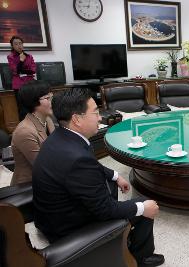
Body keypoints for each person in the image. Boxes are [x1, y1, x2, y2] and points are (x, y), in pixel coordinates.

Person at [32, 88, 164, 267]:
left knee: (110, 184)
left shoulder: (61, 137)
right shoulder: (77, 158)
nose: (100, 117)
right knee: (145, 203)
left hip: (52, 216)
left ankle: (120, 238)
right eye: (95, 112)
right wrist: (141, 207)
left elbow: (90, 166)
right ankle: (141, 258)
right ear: (77, 119)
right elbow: (105, 209)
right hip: (67, 229)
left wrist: (116, 175)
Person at [10, 80, 55, 185]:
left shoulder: (47, 119)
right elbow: (43, 167)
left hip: (49, 177)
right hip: (29, 184)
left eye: (51, 96)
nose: (52, 101)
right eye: (47, 98)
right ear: (33, 102)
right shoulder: (24, 131)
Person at [7, 36, 36, 120]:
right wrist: (21, 61)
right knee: (22, 108)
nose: (19, 46)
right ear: (12, 46)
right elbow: (15, 71)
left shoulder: (29, 56)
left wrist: (22, 71)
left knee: (33, 106)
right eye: (16, 44)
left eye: (20, 43)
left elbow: (33, 71)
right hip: (18, 85)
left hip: (30, 83)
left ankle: (36, 127)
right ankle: (24, 129)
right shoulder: (10, 57)